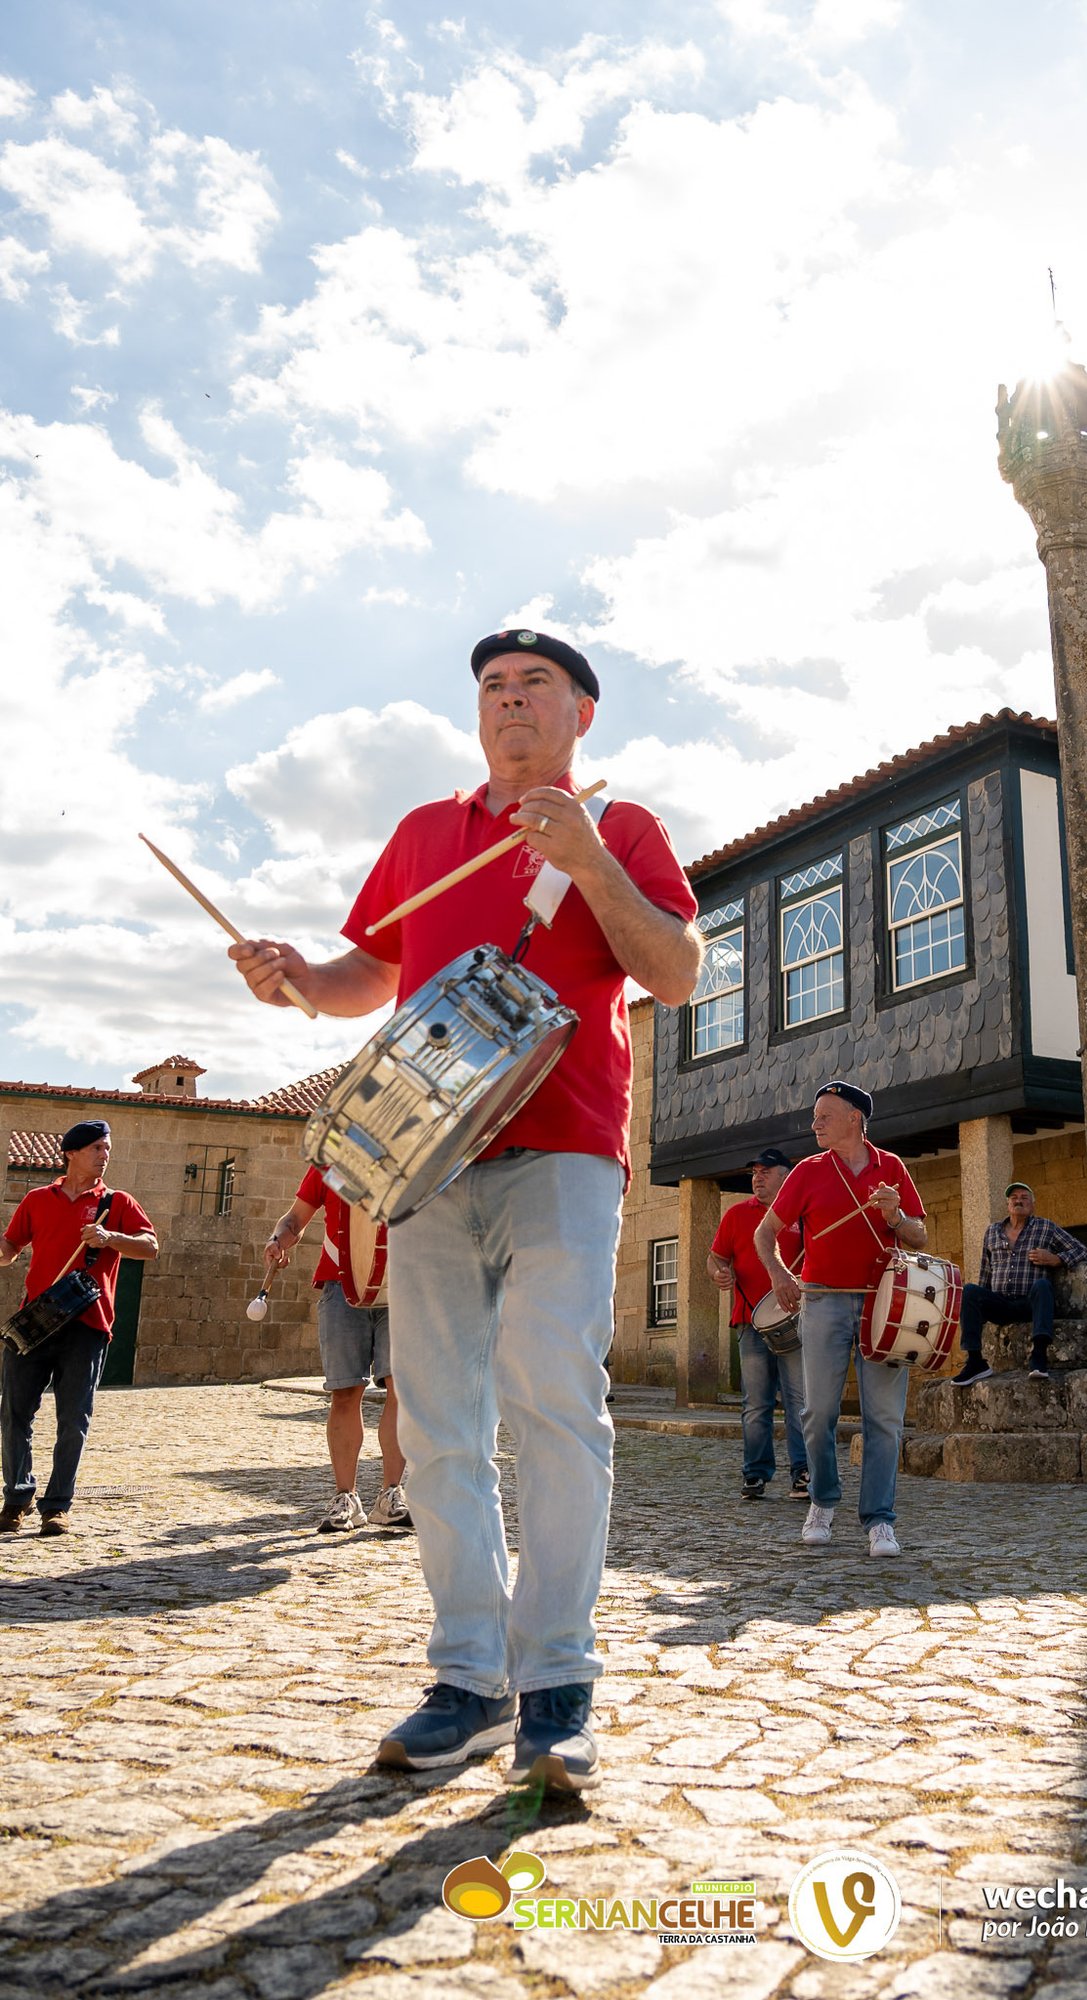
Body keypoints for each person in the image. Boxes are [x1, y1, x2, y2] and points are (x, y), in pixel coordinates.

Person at [229, 627, 699, 1787]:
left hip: (564, 1151)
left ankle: (557, 1683)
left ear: (581, 712)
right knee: (437, 1427)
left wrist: (590, 861)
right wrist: (294, 977)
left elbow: (677, 969)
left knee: (556, 1404)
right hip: (425, 1164)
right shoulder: (424, 835)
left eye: (535, 684)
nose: (509, 700)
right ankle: (468, 1677)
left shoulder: (621, 824)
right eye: (492, 686)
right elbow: (365, 980)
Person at [754, 1081, 927, 1559]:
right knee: (818, 1413)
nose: (814, 1125)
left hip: (884, 1304)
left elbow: (919, 1234)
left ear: (855, 1117)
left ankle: (880, 1520)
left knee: (885, 1418)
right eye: (815, 1118)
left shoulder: (891, 1167)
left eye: (824, 1116)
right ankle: (822, 1503)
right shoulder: (807, 1172)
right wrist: (780, 1274)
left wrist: (895, 1217)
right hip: (824, 1302)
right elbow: (763, 1234)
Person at [1, 1120, 158, 1535]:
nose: (105, 1155)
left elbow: (150, 1247)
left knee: (74, 1419)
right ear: (71, 1153)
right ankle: (16, 1498)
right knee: (14, 1413)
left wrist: (110, 1238)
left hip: (87, 1324)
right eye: (96, 1148)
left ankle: (57, 1506)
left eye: (107, 1148)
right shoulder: (37, 1199)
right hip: (35, 1323)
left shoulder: (118, 1201)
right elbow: (10, 1249)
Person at [265, 1165, 410, 1532]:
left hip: (402, 1287)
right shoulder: (327, 1165)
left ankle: (391, 1495)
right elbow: (295, 1220)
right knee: (345, 1391)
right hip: (340, 1286)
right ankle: (347, 1497)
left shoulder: (410, 1157)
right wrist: (279, 1240)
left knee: (401, 1389)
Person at [708, 1148, 809, 1503]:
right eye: (755, 1171)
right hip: (750, 1323)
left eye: (767, 1171)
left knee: (800, 1400)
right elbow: (716, 1257)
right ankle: (755, 1474)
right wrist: (720, 1273)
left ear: (787, 1175)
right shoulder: (736, 1215)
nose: (758, 1177)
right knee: (756, 1403)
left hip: (796, 1320)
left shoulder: (802, 1213)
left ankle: (803, 1473)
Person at [952, 1181, 1087, 1386]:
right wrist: (979, 1308)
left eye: (1024, 1198)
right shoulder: (992, 1231)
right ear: (1007, 1205)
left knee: (1043, 1286)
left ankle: (1039, 1356)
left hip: (1029, 1304)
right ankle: (975, 1361)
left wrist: (1055, 1258)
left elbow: (1081, 1250)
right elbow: (986, 1271)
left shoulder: (1046, 1227)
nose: (1018, 1201)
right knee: (970, 1290)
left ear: (1032, 1205)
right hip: (1000, 1303)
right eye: (1014, 1198)